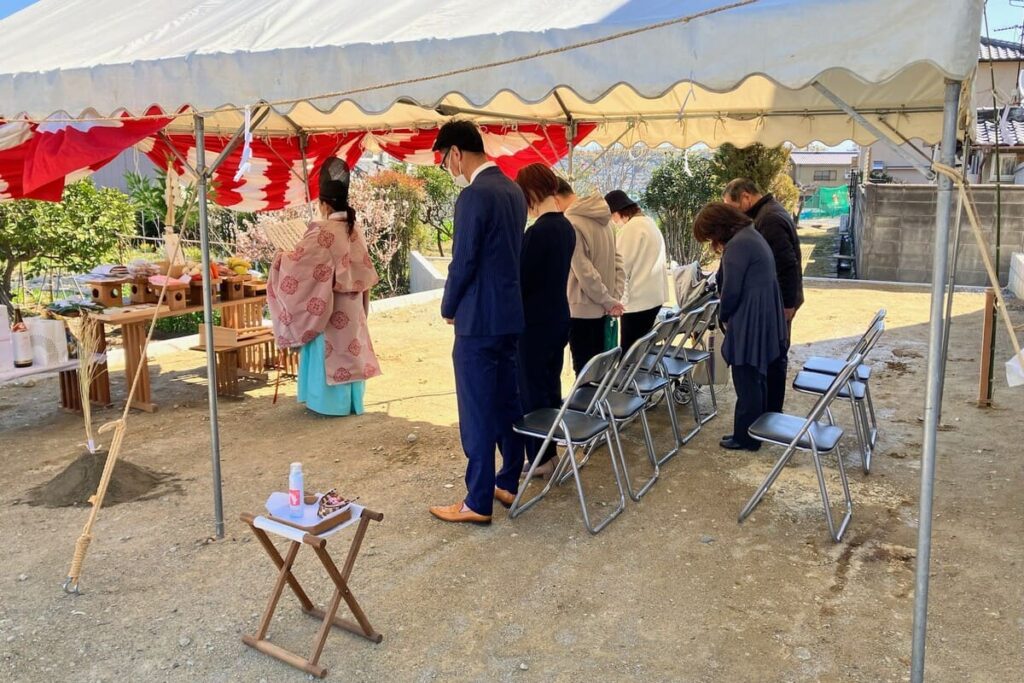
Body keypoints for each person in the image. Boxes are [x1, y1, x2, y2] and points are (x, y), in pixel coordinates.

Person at [428, 120, 527, 525]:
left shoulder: (474, 196)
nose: (447, 168)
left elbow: (463, 260)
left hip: (477, 319)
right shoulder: (514, 190)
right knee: (506, 400)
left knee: (476, 409)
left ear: (456, 152)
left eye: (444, 159)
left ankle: (477, 500)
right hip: (508, 315)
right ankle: (507, 480)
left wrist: (448, 305)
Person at [267, 159, 380, 416]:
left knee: (328, 351)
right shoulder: (354, 229)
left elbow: (297, 268)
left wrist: (281, 257)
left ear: (324, 204)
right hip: (352, 307)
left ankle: (329, 405)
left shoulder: (322, 232)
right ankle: (352, 404)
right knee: (349, 351)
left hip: (328, 309)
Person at [692, 203, 786, 451]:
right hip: (763, 313)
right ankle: (756, 431)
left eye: (710, 235)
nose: (711, 240)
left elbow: (731, 291)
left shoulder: (737, 246)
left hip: (750, 318)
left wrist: (723, 315)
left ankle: (746, 437)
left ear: (718, 228)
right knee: (757, 378)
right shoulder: (751, 234)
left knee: (746, 379)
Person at [515, 165, 577, 478]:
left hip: (535, 323)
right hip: (558, 316)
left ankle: (540, 458)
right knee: (550, 388)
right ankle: (550, 454)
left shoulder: (537, 232)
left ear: (532, 193)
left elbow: (521, 280)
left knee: (531, 391)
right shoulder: (566, 227)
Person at [722, 178, 804, 413]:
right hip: (776, 300)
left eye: (731, 205)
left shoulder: (768, 219)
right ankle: (768, 414)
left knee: (773, 359)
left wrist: (788, 304)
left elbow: (787, 264)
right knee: (771, 357)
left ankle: (770, 415)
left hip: (778, 302)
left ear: (746, 197)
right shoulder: (768, 213)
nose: (731, 211)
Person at [556, 178, 625, 375]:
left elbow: (584, 272)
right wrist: (613, 298)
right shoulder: (605, 220)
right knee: (600, 373)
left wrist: (607, 300)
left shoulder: (571, 222)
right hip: (604, 309)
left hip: (581, 310)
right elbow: (618, 262)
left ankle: (585, 408)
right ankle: (598, 407)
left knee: (584, 374)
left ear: (555, 198)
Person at [605, 189, 668, 353]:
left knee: (630, 354)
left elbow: (621, 269)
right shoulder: (649, 222)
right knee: (641, 351)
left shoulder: (631, 229)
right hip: (654, 297)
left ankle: (631, 380)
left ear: (617, 212)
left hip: (637, 303)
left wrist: (618, 302)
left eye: (611, 216)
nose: (612, 221)